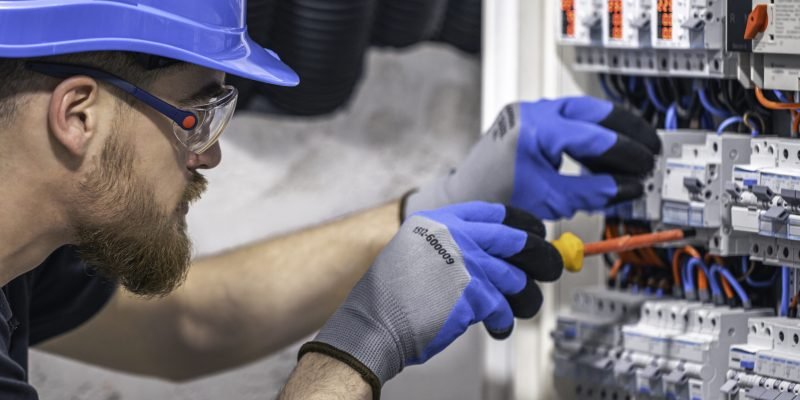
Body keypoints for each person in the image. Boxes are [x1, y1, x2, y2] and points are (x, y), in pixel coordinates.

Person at [0, 1, 659, 399]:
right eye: (195, 113)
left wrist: (435, 203)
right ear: (77, 115)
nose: (208, 153)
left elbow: (191, 324)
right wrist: (355, 351)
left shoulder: (21, 258)